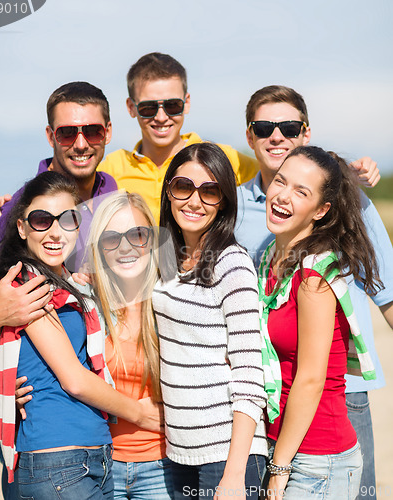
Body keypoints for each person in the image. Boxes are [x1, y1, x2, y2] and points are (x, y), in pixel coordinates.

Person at [234, 85, 393, 500]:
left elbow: (388, 294)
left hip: (331, 414)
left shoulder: (323, 257)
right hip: (275, 416)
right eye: (264, 126)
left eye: (288, 126)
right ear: (248, 135)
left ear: (305, 132)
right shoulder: (252, 227)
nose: (276, 135)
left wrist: (280, 467)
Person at [0, 172, 161, 500]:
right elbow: (74, 379)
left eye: (67, 219)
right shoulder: (27, 287)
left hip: (86, 456)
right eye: (42, 220)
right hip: (58, 459)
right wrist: (143, 413)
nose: (56, 232)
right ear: (21, 227)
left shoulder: (69, 284)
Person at [258, 145, 383, 499]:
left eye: (302, 191)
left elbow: (311, 379)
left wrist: (280, 467)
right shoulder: (272, 256)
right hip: (284, 444)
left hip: (317, 460)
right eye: (280, 181)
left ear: (321, 209)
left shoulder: (316, 273)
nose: (283, 196)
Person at [153, 142, 267, 500]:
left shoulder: (232, 264)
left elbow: (249, 373)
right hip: (178, 452)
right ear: (169, 190)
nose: (194, 200)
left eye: (210, 191)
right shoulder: (163, 257)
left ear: (225, 201)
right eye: (184, 186)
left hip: (228, 456)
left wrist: (234, 474)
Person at [0, 81, 117, 347]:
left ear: (107, 132)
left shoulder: (112, 190)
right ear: (51, 136)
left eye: (93, 131)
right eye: (67, 133)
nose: (81, 144)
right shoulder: (19, 208)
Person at [98, 52, 260, 221]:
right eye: (148, 108)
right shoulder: (111, 170)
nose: (161, 117)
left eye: (172, 105)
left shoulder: (225, 159)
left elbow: (276, 180)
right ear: (131, 107)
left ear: (186, 103)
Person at [86, 191, 174, 499]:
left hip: (162, 467)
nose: (125, 247)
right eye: (111, 238)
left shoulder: (172, 302)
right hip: (98, 467)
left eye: (137, 234)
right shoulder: (86, 307)